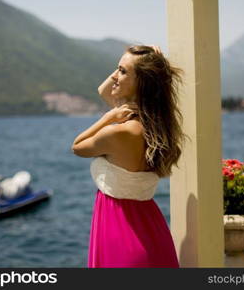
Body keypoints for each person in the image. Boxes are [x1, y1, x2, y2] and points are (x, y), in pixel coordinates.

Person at [71, 45, 186, 268]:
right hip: (150, 226)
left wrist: (107, 118)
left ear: (142, 82)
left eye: (122, 71)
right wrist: (145, 64)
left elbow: (77, 147)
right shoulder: (158, 124)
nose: (115, 76)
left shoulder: (120, 131)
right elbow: (104, 90)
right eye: (117, 69)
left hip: (120, 230)